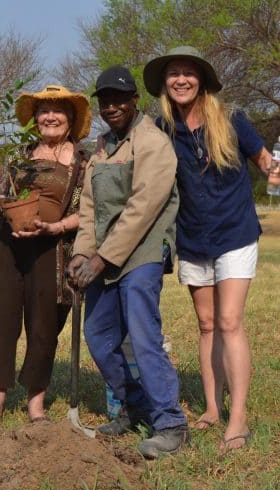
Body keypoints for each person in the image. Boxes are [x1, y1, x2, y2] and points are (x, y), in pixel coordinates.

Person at [143, 46, 280, 452]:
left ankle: (238, 419)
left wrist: (277, 170)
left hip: (235, 232)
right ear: (165, 83)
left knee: (228, 320)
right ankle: (211, 409)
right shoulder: (161, 128)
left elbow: (264, 161)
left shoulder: (231, 118)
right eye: (174, 74)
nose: (181, 79)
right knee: (206, 325)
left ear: (201, 80)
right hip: (191, 237)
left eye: (189, 72)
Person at [67, 66, 189, 459]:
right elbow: (89, 208)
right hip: (104, 254)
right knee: (99, 336)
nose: (112, 106)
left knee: (142, 336)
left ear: (135, 100)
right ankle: (135, 406)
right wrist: (82, 254)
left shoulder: (152, 142)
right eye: (105, 101)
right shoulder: (102, 146)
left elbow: (142, 209)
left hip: (144, 251)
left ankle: (170, 422)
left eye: (120, 99)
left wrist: (101, 259)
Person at [0, 85, 91, 424]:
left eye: (58, 110)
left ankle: (35, 405)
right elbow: (2, 192)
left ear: (70, 118)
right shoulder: (18, 155)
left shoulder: (84, 162)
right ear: (35, 119)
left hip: (52, 251)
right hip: (8, 247)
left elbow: (91, 210)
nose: (50, 116)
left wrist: (58, 227)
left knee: (44, 325)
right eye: (44, 110)